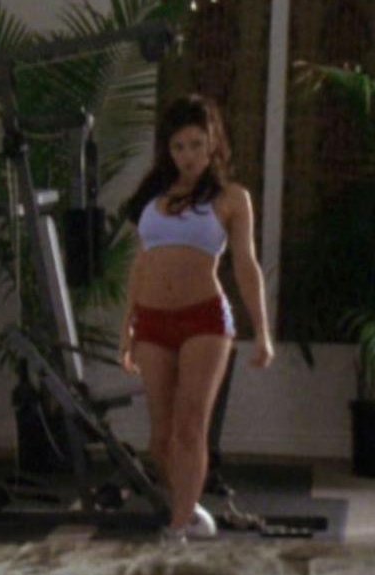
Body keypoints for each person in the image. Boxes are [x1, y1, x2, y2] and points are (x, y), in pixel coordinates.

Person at [118, 94, 274, 543]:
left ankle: (177, 528)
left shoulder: (231, 198)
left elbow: (245, 265)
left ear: (213, 145)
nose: (187, 156)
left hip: (204, 320)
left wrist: (262, 332)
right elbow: (141, 264)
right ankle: (189, 507)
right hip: (152, 321)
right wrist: (126, 328)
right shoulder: (153, 197)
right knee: (160, 440)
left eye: (196, 144)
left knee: (190, 427)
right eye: (178, 147)